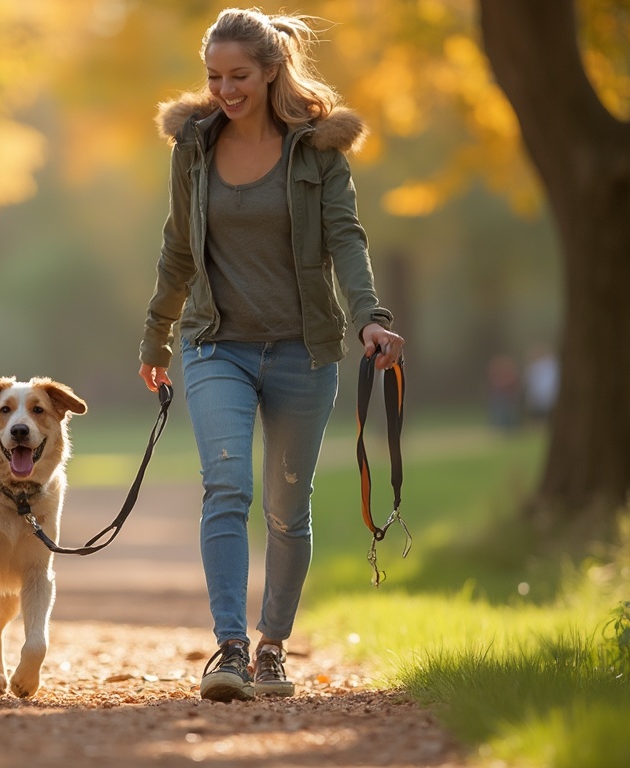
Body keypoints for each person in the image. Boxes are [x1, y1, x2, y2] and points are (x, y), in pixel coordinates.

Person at [137, 7, 405, 702]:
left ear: (271, 71)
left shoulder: (316, 150)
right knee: (227, 486)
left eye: (239, 76)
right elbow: (175, 246)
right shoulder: (192, 148)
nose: (225, 89)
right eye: (214, 76)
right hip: (214, 343)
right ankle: (227, 646)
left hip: (303, 350)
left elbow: (346, 238)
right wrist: (156, 334)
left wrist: (370, 317)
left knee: (289, 510)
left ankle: (271, 649)